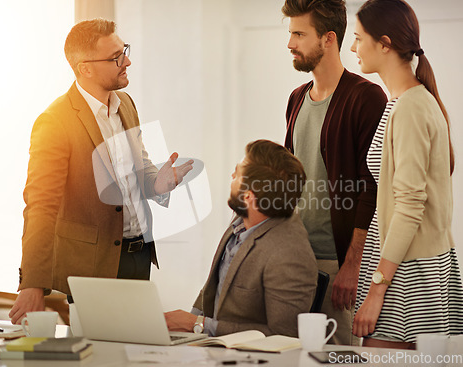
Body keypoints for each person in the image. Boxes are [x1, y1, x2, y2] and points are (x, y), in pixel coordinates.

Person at [9, 18, 193, 324]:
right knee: (101, 354)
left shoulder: (126, 105)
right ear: (86, 68)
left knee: (136, 350)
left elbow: (136, 174)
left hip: (139, 255)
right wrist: (32, 282)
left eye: (125, 51)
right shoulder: (55, 121)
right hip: (93, 266)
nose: (127, 61)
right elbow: (40, 206)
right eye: (116, 57)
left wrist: (157, 182)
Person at [351, 0, 463, 349]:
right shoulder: (403, 101)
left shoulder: (412, 106)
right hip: (402, 266)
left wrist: (377, 288)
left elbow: (410, 204)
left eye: (358, 38)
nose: (353, 48)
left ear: (384, 43)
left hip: (406, 272)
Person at [281, 0, 387, 345]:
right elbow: (288, 177)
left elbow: (370, 190)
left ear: (328, 38)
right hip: (295, 260)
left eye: (299, 33)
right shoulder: (297, 98)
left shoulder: (367, 98)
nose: (290, 43)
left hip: (337, 264)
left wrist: (352, 266)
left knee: (339, 356)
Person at [165, 140, 317, 337]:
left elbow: (283, 335)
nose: (232, 176)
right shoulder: (240, 221)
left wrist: (197, 324)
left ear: (248, 197)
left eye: (237, 174)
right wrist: (182, 330)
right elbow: (211, 290)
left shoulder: (289, 254)